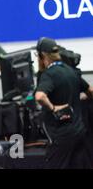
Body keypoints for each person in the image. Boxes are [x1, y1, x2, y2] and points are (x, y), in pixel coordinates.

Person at [34, 38, 93, 169]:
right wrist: (80, 97)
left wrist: (53, 107)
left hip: (61, 136)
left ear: (42, 56)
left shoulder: (48, 75)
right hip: (79, 132)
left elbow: (40, 96)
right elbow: (90, 90)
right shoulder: (70, 70)